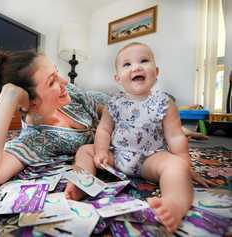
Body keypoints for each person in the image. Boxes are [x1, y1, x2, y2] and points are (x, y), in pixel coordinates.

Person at [65, 42, 194, 233]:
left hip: (150, 158)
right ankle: (81, 183)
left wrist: (185, 163)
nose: (136, 67)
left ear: (156, 71)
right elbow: (104, 130)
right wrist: (101, 151)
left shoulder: (164, 102)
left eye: (144, 61)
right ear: (117, 78)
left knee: (177, 166)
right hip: (117, 155)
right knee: (85, 150)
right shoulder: (113, 103)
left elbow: (175, 137)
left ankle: (174, 203)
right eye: (127, 64)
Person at [0, 48, 103, 190]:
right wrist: (9, 95)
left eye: (56, 73)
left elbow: (101, 109)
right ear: (31, 102)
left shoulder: (68, 93)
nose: (65, 82)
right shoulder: (36, 138)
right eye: (52, 82)